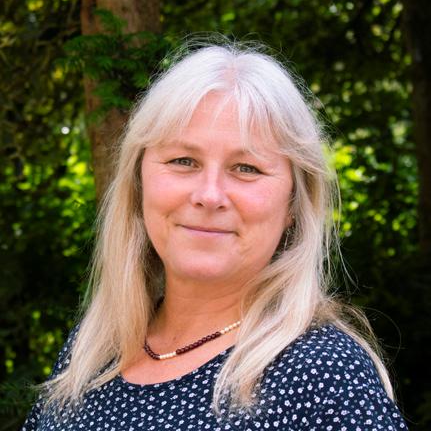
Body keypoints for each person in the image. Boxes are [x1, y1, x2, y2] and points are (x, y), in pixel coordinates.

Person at [23, 41, 408, 430]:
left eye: (246, 168)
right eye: (183, 161)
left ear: (294, 203)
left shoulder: (324, 376)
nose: (209, 195)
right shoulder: (92, 353)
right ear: (139, 184)